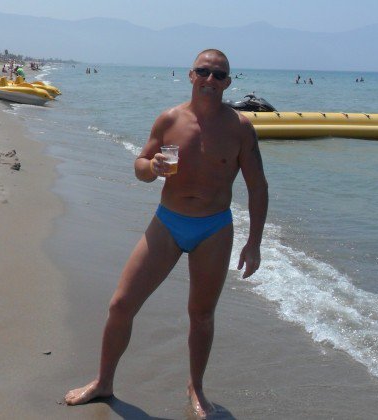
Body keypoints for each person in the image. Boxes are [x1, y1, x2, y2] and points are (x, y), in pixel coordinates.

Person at [64, 49, 269, 418]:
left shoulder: (240, 128)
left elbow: (258, 187)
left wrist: (254, 244)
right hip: (169, 221)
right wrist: (152, 167)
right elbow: (140, 166)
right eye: (203, 71)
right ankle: (103, 381)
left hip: (214, 228)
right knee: (121, 304)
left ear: (228, 82)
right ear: (191, 75)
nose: (210, 79)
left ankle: (196, 388)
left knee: (201, 315)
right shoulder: (169, 119)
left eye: (219, 74)